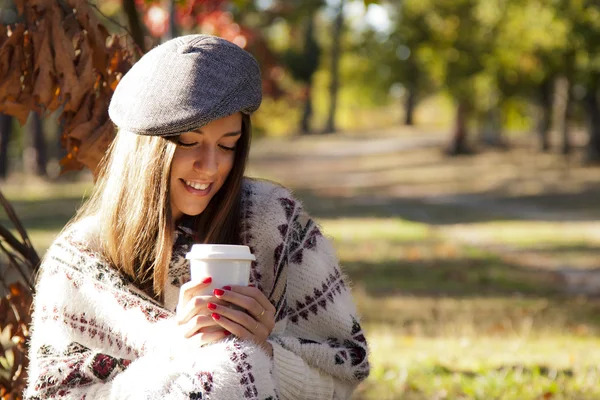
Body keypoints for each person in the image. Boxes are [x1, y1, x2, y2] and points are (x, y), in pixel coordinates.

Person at [24, 34, 370, 400]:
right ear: (147, 147)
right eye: (190, 142)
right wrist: (178, 350)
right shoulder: (80, 259)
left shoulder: (276, 224)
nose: (210, 166)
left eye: (227, 145)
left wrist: (266, 352)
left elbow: (341, 380)